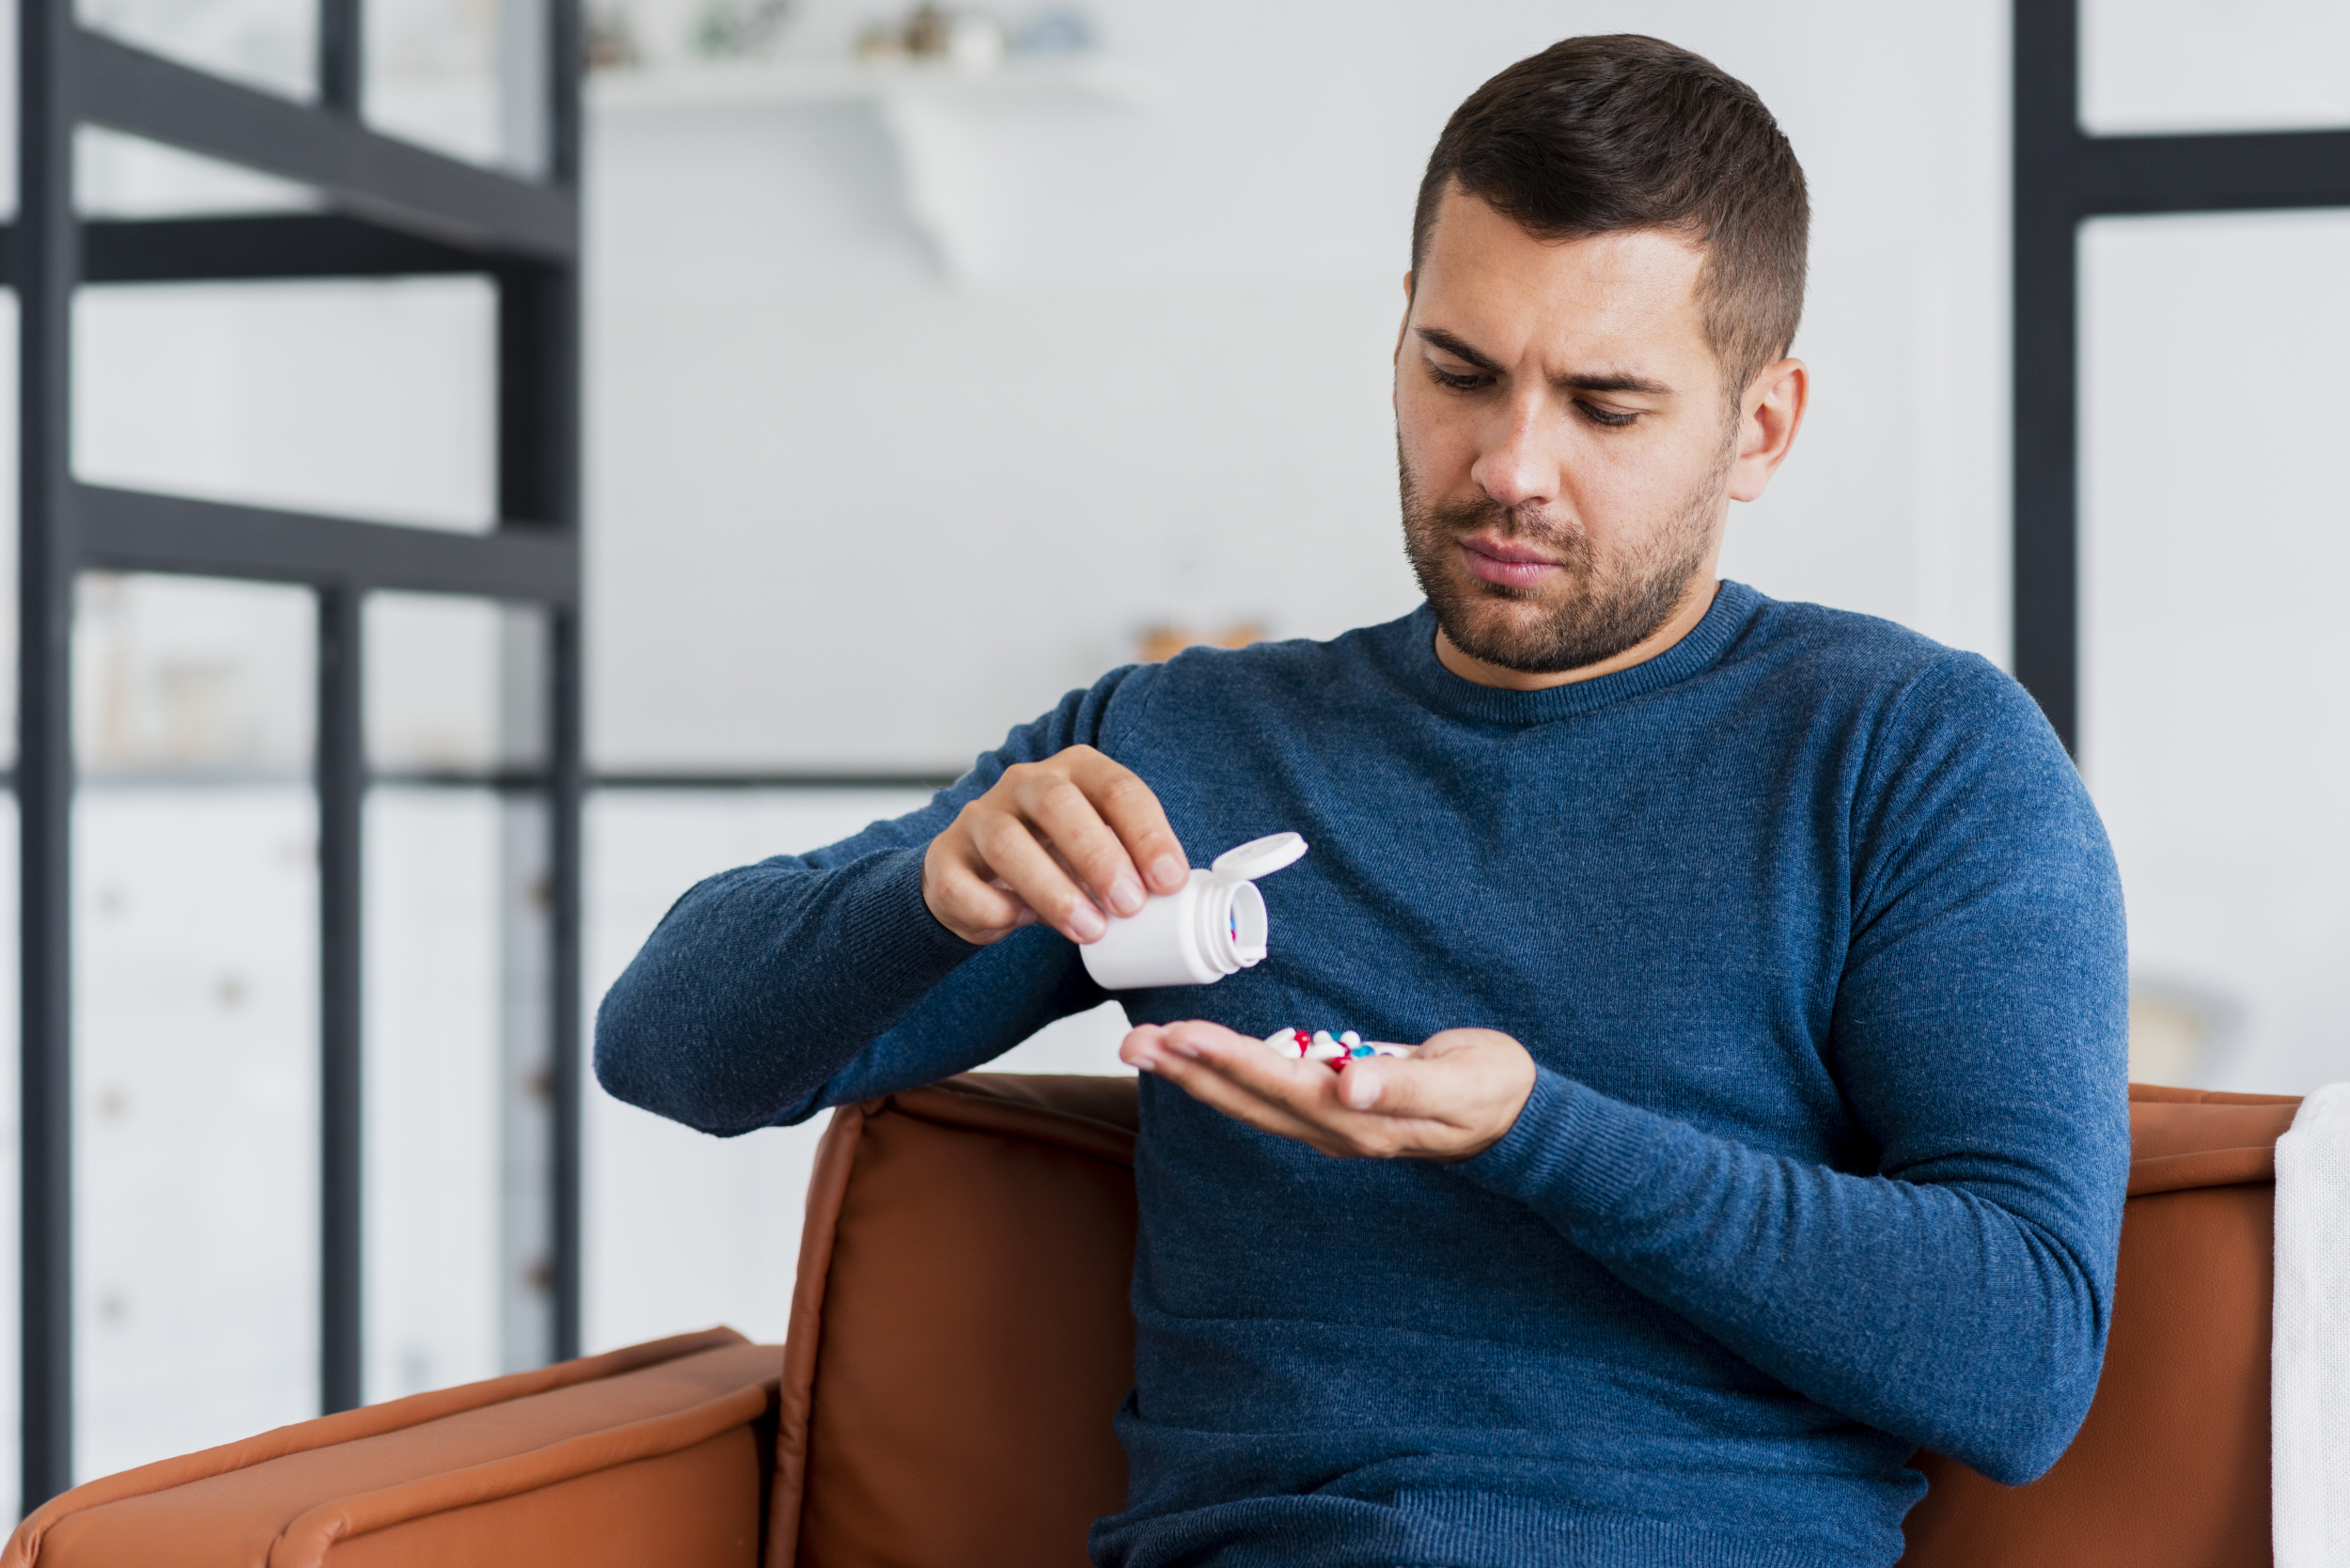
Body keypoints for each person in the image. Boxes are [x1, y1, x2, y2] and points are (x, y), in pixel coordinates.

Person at [596, 33, 2128, 1568]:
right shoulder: (1194, 741)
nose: (1510, 466)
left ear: (1761, 429)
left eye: (1606, 406)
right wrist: (925, 889)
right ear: (1399, 337)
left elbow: (2023, 1360)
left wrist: (1532, 1130)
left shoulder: (1915, 754)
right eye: (1461, 374)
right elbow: (664, 1049)